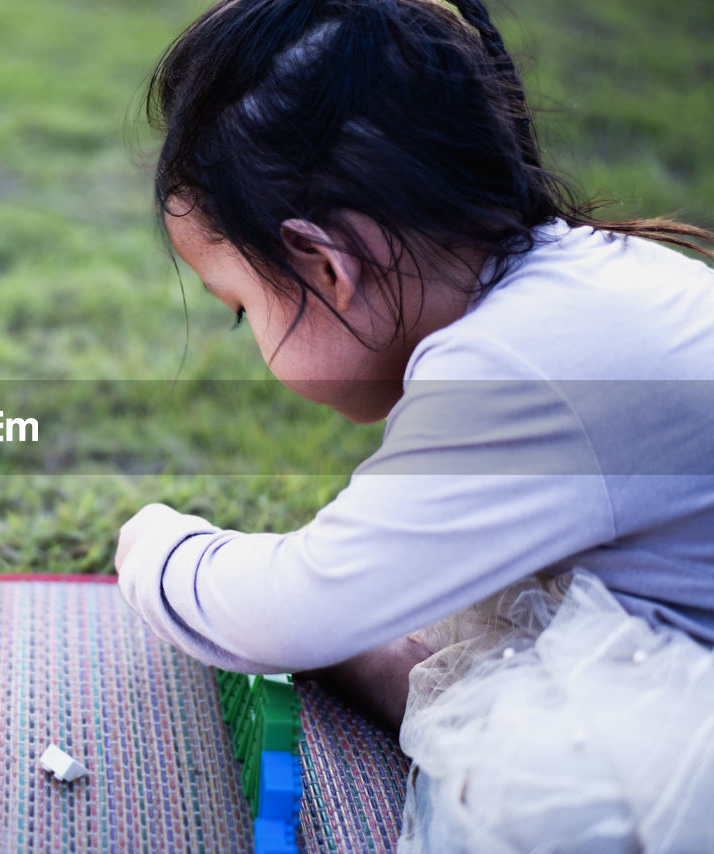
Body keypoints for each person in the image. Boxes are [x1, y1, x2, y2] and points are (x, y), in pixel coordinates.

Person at [112, 0, 714, 850]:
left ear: (326, 263)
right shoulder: (583, 285)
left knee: (544, 804)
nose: (253, 342)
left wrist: (158, 552)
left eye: (242, 310)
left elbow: (289, 609)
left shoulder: (510, 368)